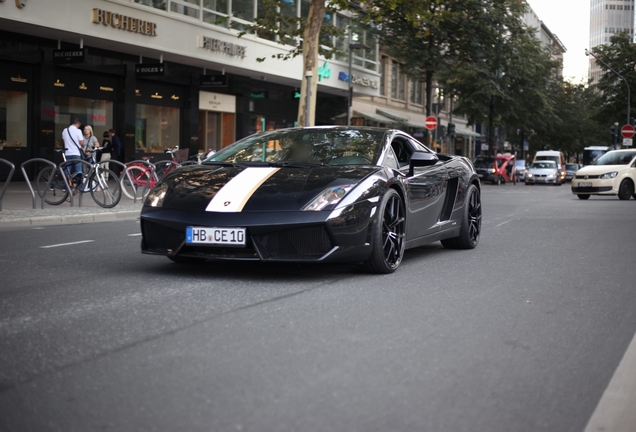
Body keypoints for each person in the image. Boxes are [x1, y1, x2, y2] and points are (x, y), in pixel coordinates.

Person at [62, 118, 86, 183]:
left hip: (67, 153)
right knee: (79, 171)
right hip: (76, 153)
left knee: (67, 171)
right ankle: (78, 187)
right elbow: (81, 142)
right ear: (78, 124)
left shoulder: (65, 130)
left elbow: (64, 141)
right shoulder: (78, 131)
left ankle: (66, 186)